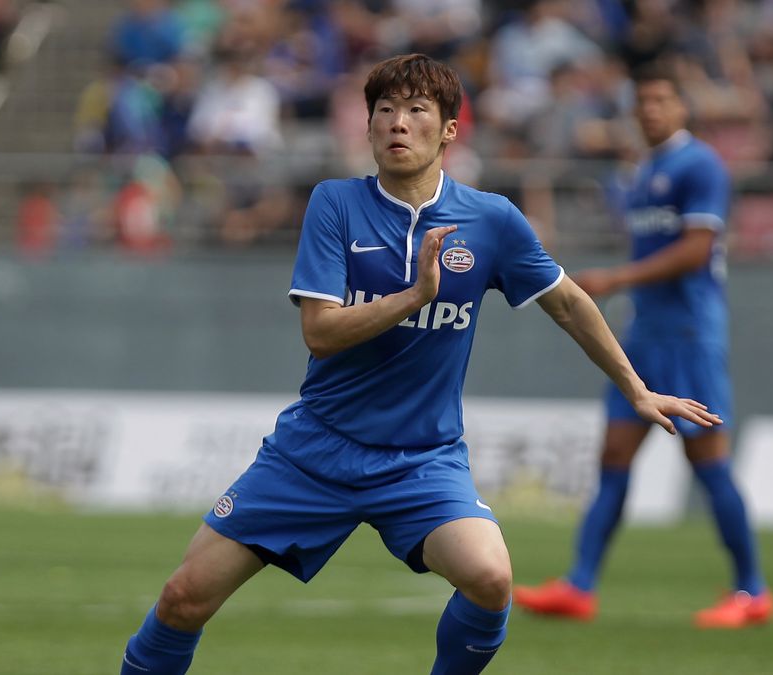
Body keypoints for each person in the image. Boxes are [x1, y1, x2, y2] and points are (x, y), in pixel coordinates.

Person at [118, 54, 721, 675]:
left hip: (421, 462)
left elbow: (568, 303)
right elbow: (321, 334)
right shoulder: (336, 204)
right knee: (183, 598)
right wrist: (413, 297)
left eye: (415, 111)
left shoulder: (491, 220)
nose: (397, 124)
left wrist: (638, 389)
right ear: (368, 126)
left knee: (489, 578)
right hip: (314, 452)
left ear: (450, 130)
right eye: (383, 111)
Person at [514, 65, 773, 629]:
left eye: (662, 100)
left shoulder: (699, 164)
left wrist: (616, 279)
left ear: (684, 108)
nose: (651, 110)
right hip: (643, 338)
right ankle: (579, 585)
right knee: (613, 456)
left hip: (689, 335)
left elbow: (697, 250)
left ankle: (752, 592)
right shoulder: (643, 171)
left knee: (707, 463)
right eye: (643, 101)